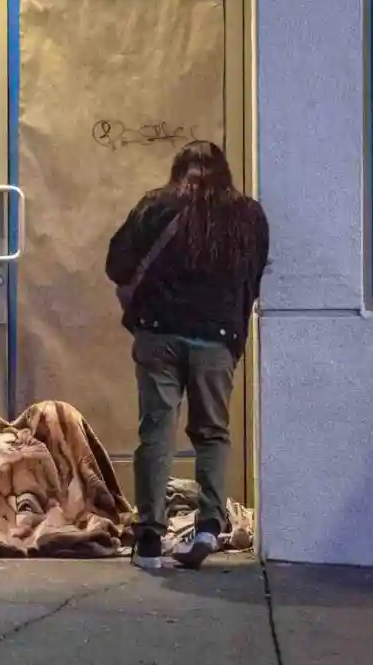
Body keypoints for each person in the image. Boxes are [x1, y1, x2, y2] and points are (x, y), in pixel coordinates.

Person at [105, 140, 269, 572]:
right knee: (212, 432)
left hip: (158, 333)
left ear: (178, 171)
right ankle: (209, 527)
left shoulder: (156, 206)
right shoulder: (248, 216)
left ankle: (149, 539)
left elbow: (116, 264)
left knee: (157, 432)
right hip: (216, 338)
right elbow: (253, 277)